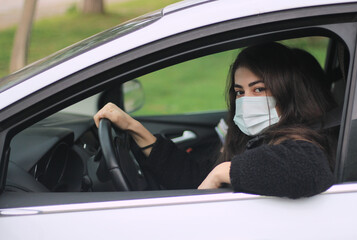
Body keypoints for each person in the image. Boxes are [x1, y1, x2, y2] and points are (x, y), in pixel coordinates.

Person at [94, 42, 336, 199]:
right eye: (240, 92)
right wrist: (135, 129)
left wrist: (223, 171)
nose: (245, 100)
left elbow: (310, 167)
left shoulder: (303, 139)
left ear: (287, 92)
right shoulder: (253, 138)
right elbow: (197, 177)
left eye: (259, 89)